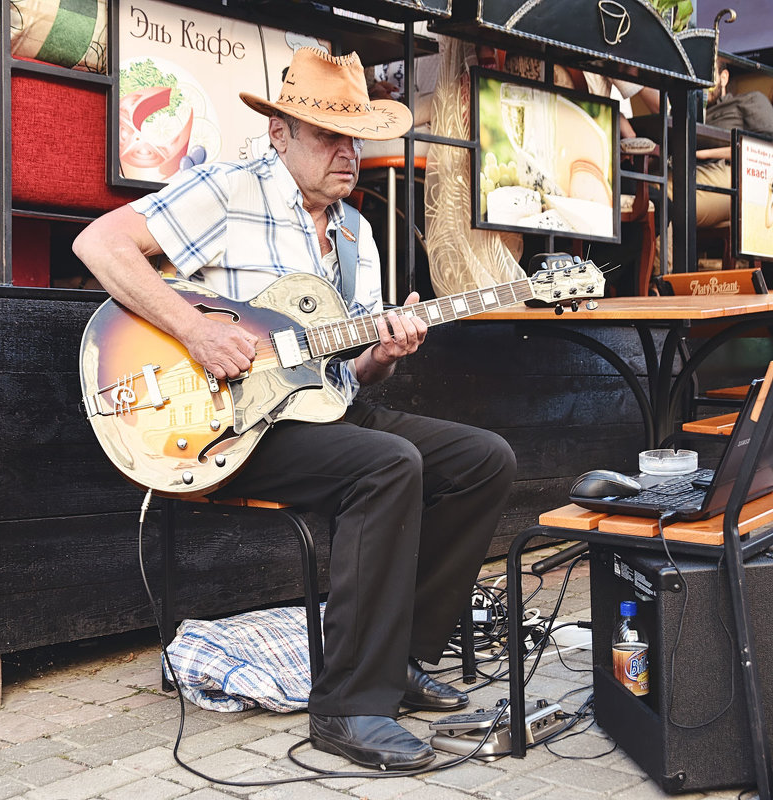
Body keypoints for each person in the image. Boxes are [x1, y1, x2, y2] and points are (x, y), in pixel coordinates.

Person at [72, 47, 516, 771]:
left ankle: (397, 657)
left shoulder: (355, 234)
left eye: (357, 138)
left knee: (483, 460)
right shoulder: (228, 190)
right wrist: (197, 331)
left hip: (322, 414)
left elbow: (354, 376)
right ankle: (348, 707)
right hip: (230, 425)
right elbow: (101, 243)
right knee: (387, 466)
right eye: (327, 136)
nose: (349, 154)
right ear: (280, 134)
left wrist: (385, 350)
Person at [691, 58, 773, 228]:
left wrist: (703, 154)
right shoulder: (691, 114)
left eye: (708, 71)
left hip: (732, 173)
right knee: (649, 194)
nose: (702, 80)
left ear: (724, 77)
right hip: (689, 172)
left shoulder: (749, 101)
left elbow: (766, 149)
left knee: (664, 199)